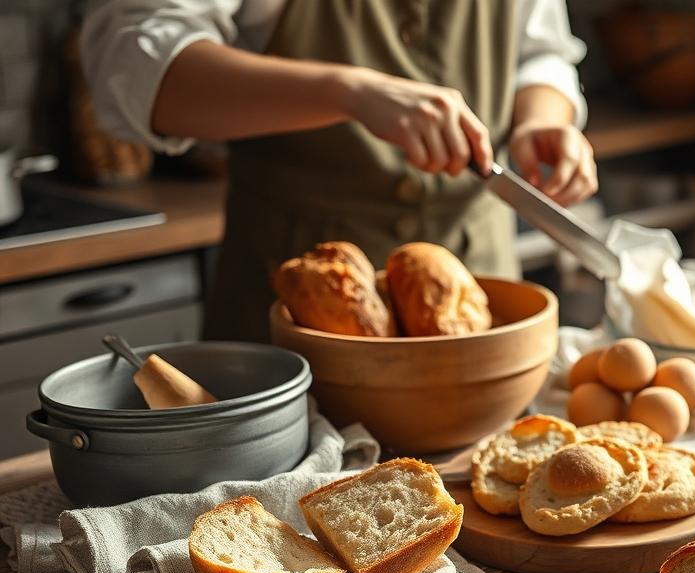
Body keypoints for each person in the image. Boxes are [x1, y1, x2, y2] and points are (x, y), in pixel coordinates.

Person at [81, 0, 598, 341]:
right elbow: (136, 66)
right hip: (292, 328)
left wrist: (541, 120)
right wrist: (344, 91)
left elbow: (541, 53)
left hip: (479, 311)